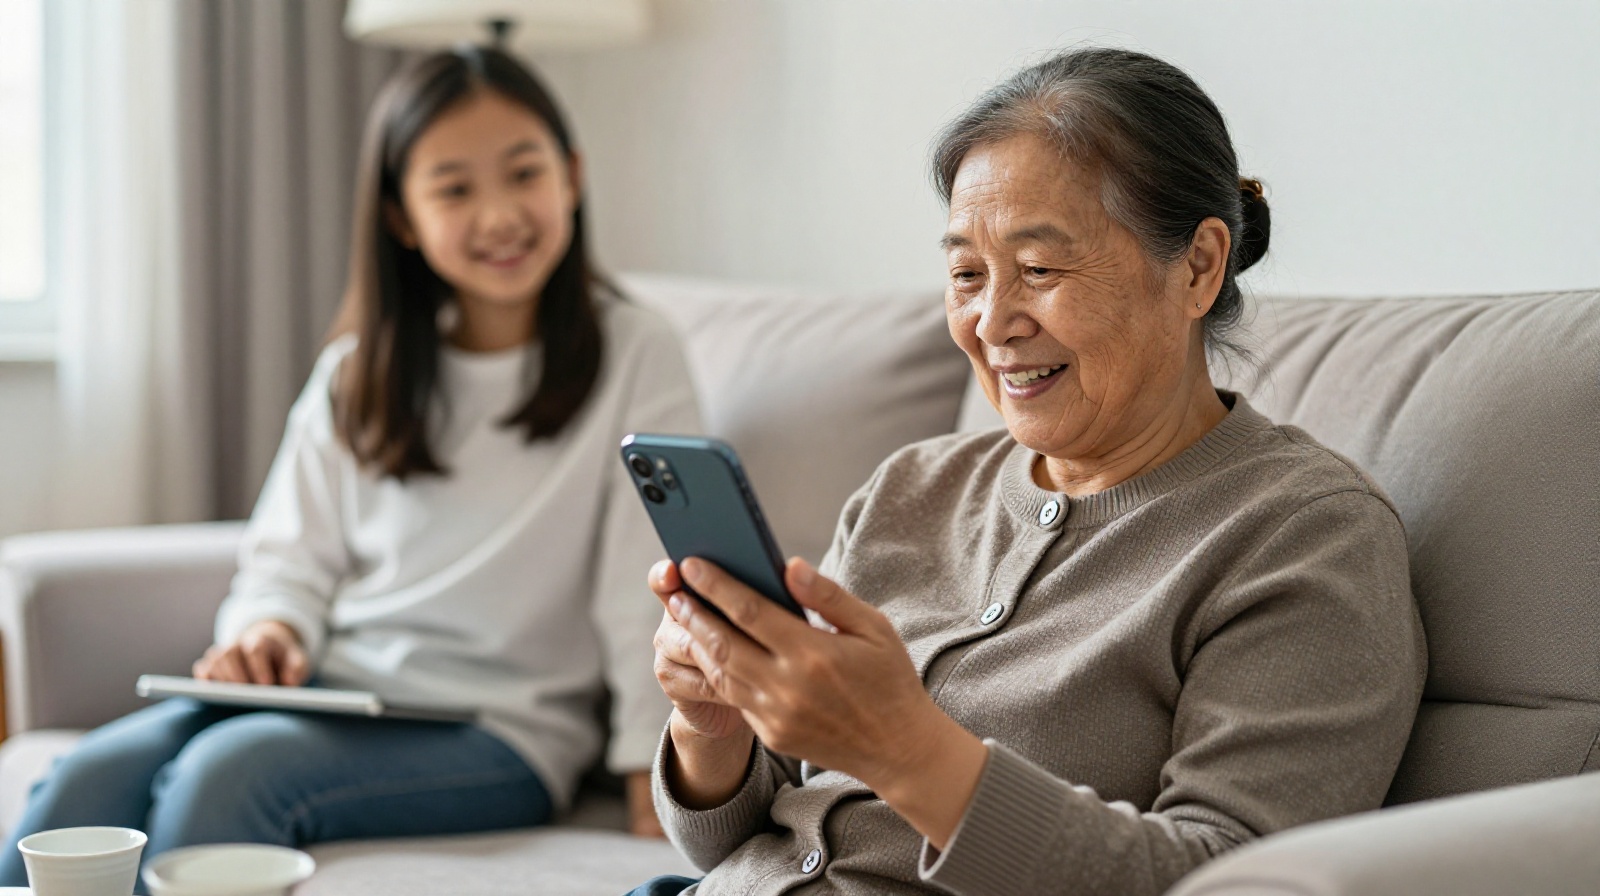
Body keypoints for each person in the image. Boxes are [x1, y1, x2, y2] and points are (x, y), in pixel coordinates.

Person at [627, 48, 1426, 896]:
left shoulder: (1303, 537)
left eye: (1040, 270)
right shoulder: (910, 490)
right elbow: (735, 840)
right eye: (966, 274)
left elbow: (1232, 880)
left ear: (1198, 267)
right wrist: (710, 726)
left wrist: (903, 751)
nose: (993, 321)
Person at [0, 46, 697, 886]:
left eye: (524, 174)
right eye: (454, 188)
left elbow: (646, 585)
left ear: (573, 176)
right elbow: (288, 560)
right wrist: (268, 634)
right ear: (401, 216)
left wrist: (649, 773)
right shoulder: (358, 373)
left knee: (228, 777)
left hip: (505, 728)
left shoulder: (637, 355)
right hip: (336, 691)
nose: (501, 214)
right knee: (86, 780)